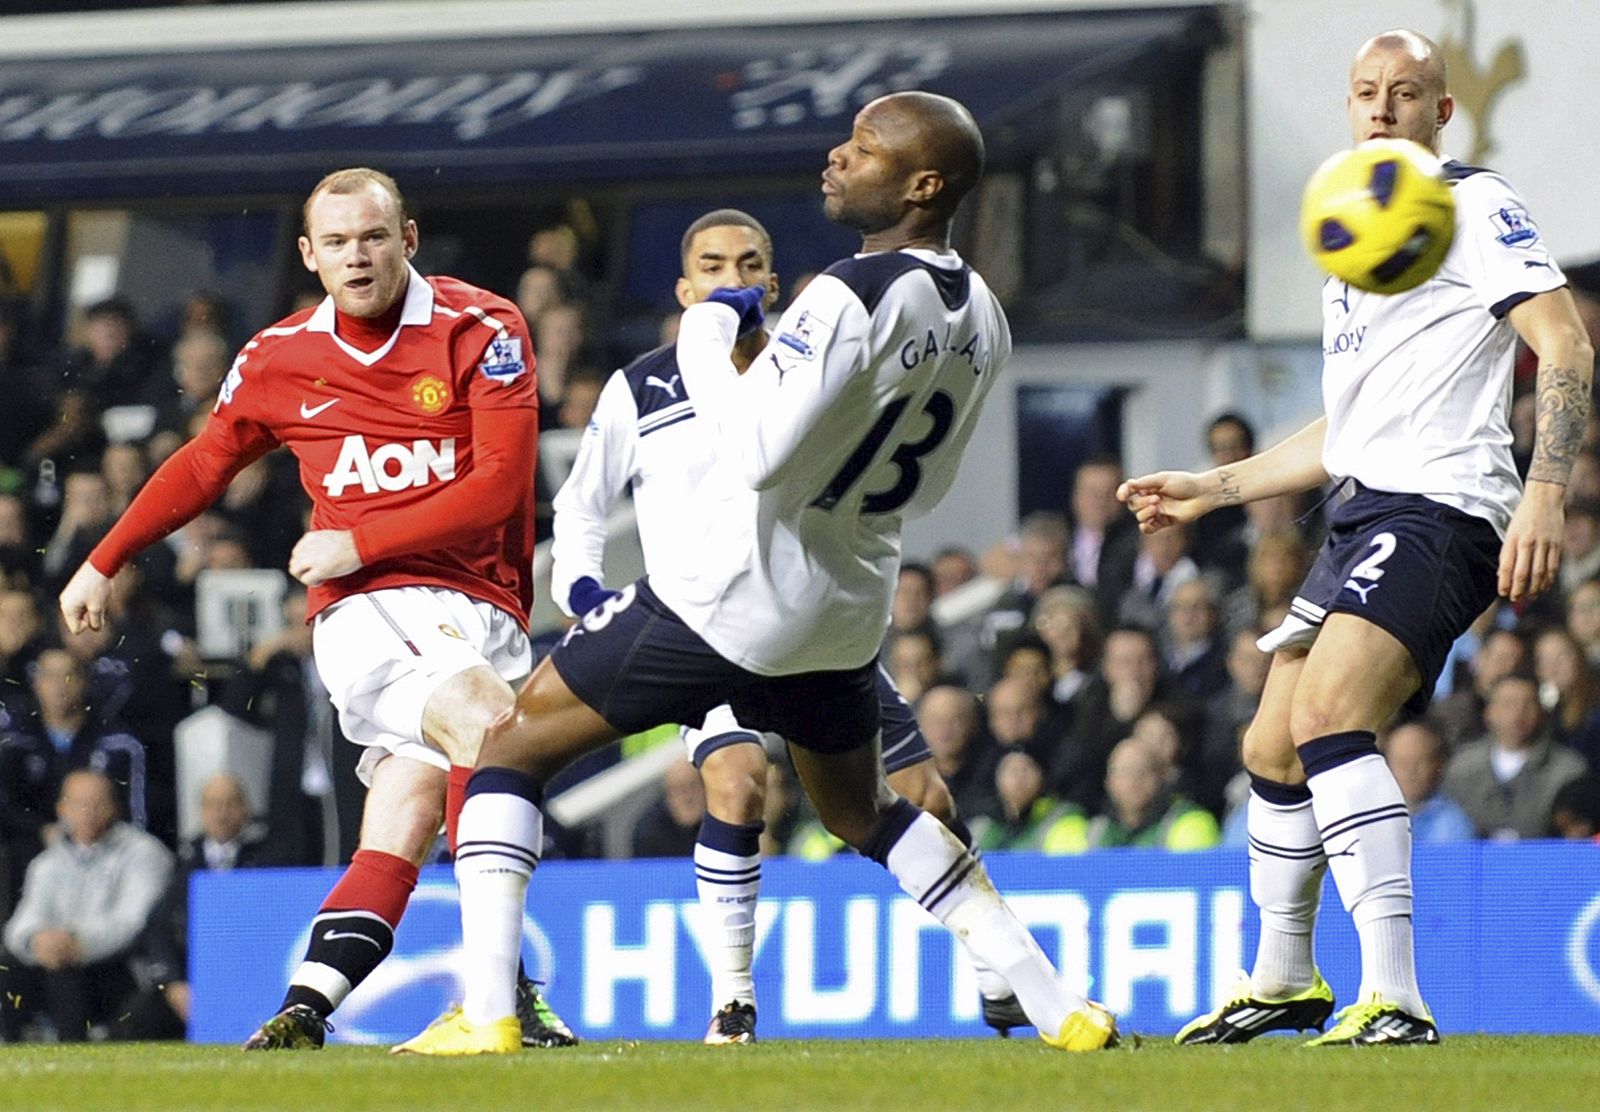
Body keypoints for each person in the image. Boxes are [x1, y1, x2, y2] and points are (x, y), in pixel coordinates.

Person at [401, 91, 1117, 1056]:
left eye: (864, 147)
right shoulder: (984, 311)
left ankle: (488, 1013)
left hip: (729, 597)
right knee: (865, 811)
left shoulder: (848, 291)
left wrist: (705, 332)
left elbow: (754, 454)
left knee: (507, 749)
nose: (838, 156)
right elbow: (932, 485)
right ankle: (1053, 1001)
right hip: (846, 607)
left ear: (923, 185)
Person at [1123, 29, 1594, 1046]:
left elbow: (1564, 339)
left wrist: (1546, 491)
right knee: (1270, 744)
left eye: (1405, 93)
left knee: (1330, 714)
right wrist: (1215, 487)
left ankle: (1396, 996)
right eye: (1365, 92)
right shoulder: (1354, 236)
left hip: (1444, 507)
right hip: (1365, 510)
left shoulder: (1471, 203)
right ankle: (1283, 977)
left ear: (1441, 112)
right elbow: (1349, 426)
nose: (1381, 109)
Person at [55, 167, 575, 1051]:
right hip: (368, 606)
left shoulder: (481, 326)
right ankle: (497, 1004)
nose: (357, 256)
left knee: (410, 812)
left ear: (408, 240)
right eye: (337, 242)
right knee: (492, 732)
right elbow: (204, 463)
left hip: (483, 606)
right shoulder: (278, 356)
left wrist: (359, 537)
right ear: (309, 255)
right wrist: (105, 559)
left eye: (373, 237)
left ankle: (308, 1003)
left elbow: (499, 486)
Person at [547, 208, 1021, 1042]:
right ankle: (733, 1001)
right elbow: (582, 508)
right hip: (700, 630)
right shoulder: (641, 388)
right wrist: (585, 594)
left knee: (923, 796)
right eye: (712, 266)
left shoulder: (807, 376)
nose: (731, 280)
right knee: (736, 781)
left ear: (771, 284)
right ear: (685, 290)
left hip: (814, 621)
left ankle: (998, 972)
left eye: (748, 265)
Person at [0, 769, 172, 1042]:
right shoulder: (47, 862)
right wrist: (36, 940)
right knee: (10, 966)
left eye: (97, 803)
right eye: (79, 804)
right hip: (58, 964)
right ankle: (10, 1045)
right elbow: (21, 922)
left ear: (113, 807)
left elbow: (135, 920)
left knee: (64, 972)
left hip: (119, 968)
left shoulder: (144, 853)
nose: (87, 812)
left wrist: (76, 941)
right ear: (61, 809)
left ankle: (75, 1044)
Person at [1440, 674, 1587, 839]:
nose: (1518, 713)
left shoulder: (1569, 771)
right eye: (1508, 704)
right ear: (1489, 712)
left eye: (1528, 704)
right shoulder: (1459, 767)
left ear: (1541, 712)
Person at [1379, 721, 1475, 844]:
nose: (1410, 771)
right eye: (1402, 763)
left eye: (1419, 763)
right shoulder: (1369, 813)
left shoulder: (1454, 824)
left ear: (1438, 764)